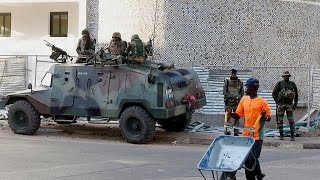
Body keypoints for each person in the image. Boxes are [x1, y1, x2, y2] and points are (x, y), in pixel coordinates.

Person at [226, 77, 271, 180]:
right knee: (248, 160)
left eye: (247, 87)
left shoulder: (262, 102)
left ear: (253, 88)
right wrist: (230, 113)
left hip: (257, 136)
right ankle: (257, 175)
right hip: (246, 135)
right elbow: (238, 115)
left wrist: (264, 115)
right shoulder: (244, 99)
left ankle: (258, 174)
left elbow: (269, 117)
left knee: (252, 159)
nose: (245, 89)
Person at [272, 71, 298, 141]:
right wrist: (277, 102)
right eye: (285, 76)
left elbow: (296, 95)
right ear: (283, 77)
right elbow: (274, 93)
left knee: (291, 120)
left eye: (287, 76)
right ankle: (281, 135)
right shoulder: (279, 84)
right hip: (281, 104)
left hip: (289, 104)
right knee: (280, 120)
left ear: (289, 76)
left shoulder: (292, 84)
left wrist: (295, 104)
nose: (286, 77)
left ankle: (292, 136)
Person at [223, 69, 244, 136]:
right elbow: (242, 93)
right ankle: (232, 131)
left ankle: (232, 131)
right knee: (232, 117)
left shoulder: (238, 82)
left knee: (232, 117)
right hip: (232, 102)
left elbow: (224, 92)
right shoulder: (228, 81)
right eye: (233, 73)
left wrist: (236, 99)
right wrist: (236, 98)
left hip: (233, 102)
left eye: (234, 73)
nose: (233, 75)